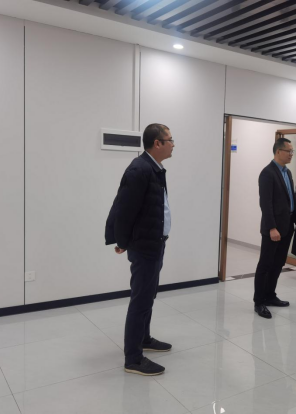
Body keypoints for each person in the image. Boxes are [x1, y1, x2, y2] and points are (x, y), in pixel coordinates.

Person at [105, 123, 174, 376]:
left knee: (148, 296)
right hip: (144, 245)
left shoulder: (154, 168)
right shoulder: (140, 169)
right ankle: (133, 358)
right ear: (157, 143)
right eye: (170, 140)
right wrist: (122, 242)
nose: (173, 144)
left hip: (155, 242)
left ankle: (143, 338)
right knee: (141, 299)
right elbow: (124, 209)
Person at [254, 138, 296, 319]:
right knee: (265, 264)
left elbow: (291, 199)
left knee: (278, 263)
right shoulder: (267, 173)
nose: (291, 154)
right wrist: (272, 228)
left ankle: (270, 295)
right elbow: (265, 204)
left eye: (292, 151)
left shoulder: (287, 172)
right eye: (289, 151)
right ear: (278, 151)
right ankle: (259, 302)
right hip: (273, 229)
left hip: (287, 226)